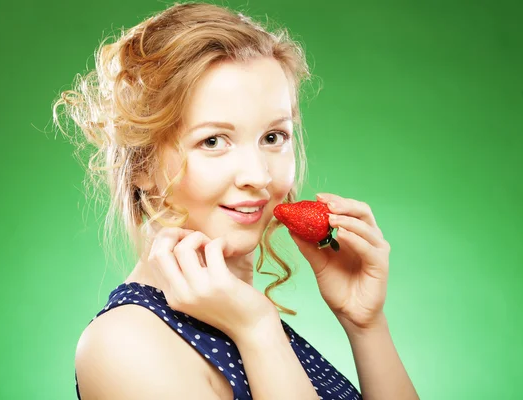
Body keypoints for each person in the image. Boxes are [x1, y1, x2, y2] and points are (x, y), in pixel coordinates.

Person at [52, 2, 419, 399]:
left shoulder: (238, 313)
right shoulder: (126, 346)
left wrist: (365, 325)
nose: (259, 176)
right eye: (213, 141)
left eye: (273, 137)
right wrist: (258, 329)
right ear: (141, 162)